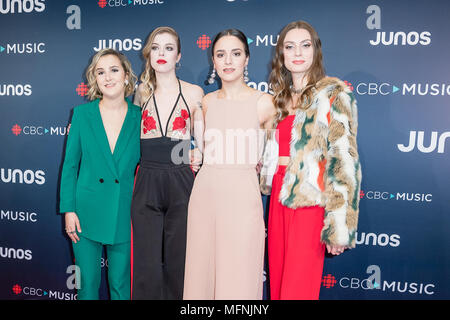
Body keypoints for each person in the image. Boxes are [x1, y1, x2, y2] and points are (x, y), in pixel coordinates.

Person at [261, 20, 362, 300]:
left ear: (315, 51)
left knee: (297, 290)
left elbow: (344, 162)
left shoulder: (333, 95)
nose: (297, 53)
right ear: (281, 54)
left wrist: (338, 226)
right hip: (278, 203)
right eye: (289, 46)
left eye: (305, 45)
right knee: (279, 286)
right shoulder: (277, 101)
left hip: (310, 205)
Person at [183, 29, 275, 300]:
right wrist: (193, 154)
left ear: (247, 59)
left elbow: (272, 157)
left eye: (236, 53)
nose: (228, 61)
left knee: (240, 275)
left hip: (243, 197)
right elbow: (198, 149)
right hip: (205, 195)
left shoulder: (265, 103)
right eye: (220, 54)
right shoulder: (206, 103)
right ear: (213, 60)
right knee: (202, 274)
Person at [60, 48, 140, 300]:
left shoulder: (141, 117)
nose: (108, 77)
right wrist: (68, 210)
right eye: (100, 72)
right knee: (87, 288)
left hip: (125, 212)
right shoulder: (82, 115)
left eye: (114, 70)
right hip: (85, 214)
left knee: (121, 287)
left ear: (126, 75)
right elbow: (70, 165)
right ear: (94, 79)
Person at [131, 26, 204, 300]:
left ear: (179, 56)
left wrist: (198, 154)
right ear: (149, 54)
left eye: (169, 48)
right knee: (146, 263)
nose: (161, 53)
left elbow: (204, 141)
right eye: (156, 47)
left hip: (181, 179)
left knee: (180, 260)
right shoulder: (141, 93)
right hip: (147, 177)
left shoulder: (195, 93)